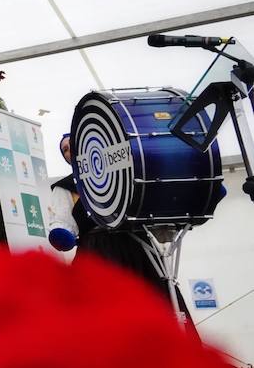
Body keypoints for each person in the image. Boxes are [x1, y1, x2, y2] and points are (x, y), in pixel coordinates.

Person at [47, 134, 190, 317]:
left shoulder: (123, 172)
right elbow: (62, 218)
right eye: (65, 149)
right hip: (97, 249)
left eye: (73, 144)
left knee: (154, 301)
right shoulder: (65, 186)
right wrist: (61, 233)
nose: (70, 150)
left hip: (136, 245)